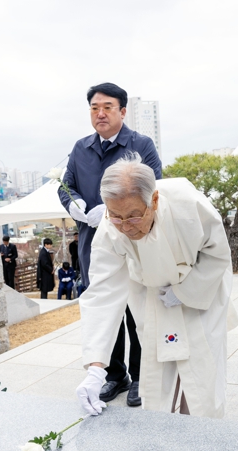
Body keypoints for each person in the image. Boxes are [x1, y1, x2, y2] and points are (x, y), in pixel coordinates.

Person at [75, 155, 237, 418]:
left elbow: (217, 254)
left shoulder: (188, 204)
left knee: (201, 373)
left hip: (200, 292)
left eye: (133, 217)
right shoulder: (110, 226)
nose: (125, 227)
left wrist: (185, 291)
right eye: (116, 216)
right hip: (151, 295)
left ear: (154, 200)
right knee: (157, 375)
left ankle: (204, 428)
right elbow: (102, 292)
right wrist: (95, 368)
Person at [58, 83, 161, 408]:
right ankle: (114, 374)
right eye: (94, 108)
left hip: (134, 239)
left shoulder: (140, 144)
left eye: (107, 107)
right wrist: (73, 203)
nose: (100, 114)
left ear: (122, 111)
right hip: (95, 242)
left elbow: (155, 185)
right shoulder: (81, 148)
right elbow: (66, 185)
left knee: (136, 309)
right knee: (105, 306)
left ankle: (141, 374)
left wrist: (112, 209)